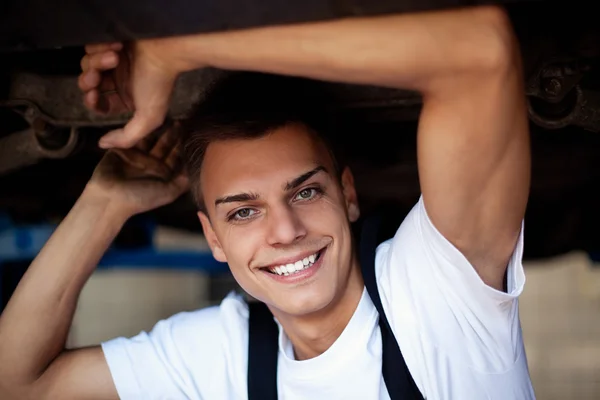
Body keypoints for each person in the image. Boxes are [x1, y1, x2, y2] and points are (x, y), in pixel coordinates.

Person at [0, 5, 535, 399]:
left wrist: (178, 49)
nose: (285, 230)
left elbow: (481, 48)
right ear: (213, 238)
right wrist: (104, 203)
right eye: (243, 211)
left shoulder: (437, 294)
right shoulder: (230, 352)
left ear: (347, 194)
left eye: (305, 191)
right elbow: (20, 383)